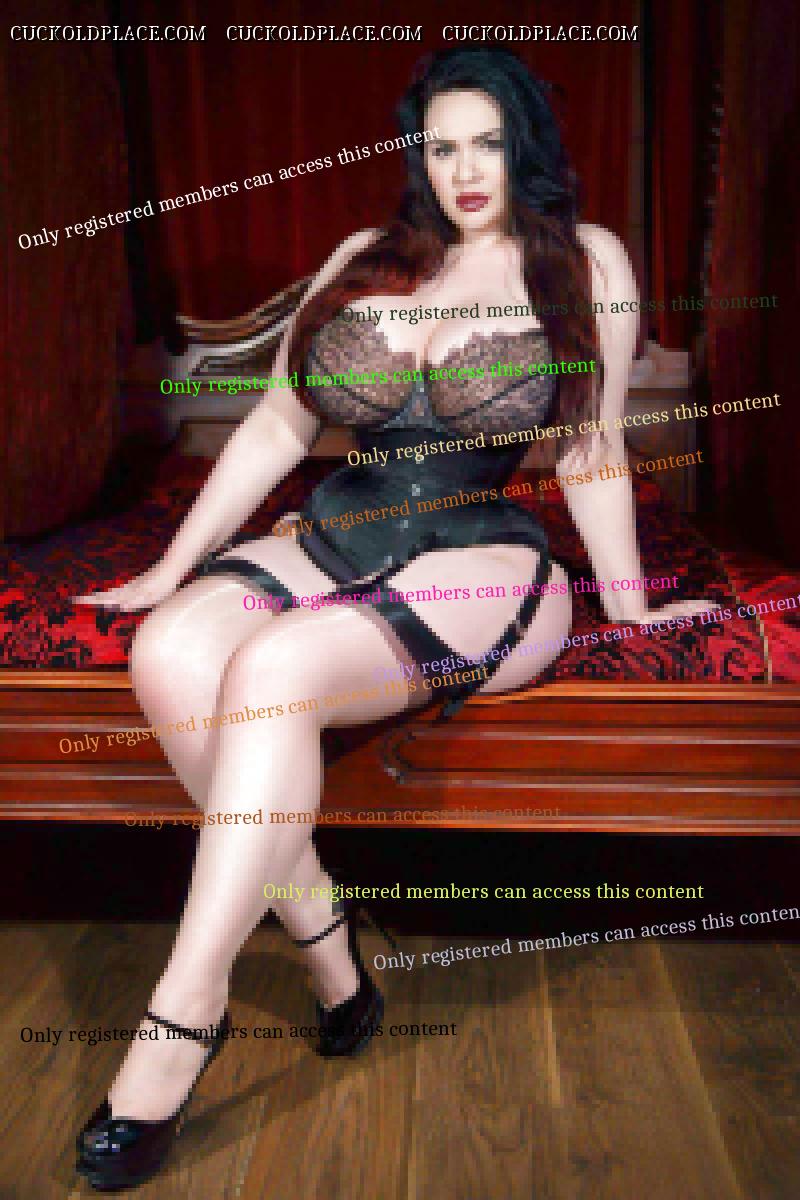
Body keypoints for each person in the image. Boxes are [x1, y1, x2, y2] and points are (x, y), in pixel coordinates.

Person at [74, 47, 707, 1190]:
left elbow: (589, 447)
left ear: (525, 145)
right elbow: (276, 426)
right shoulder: (367, 258)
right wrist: (170, 567)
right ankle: (333, 962)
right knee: (170, 650)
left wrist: (632, 612)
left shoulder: (583, 260)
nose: (464, 170)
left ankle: (184, 1010)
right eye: (441, 146)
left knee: (272, 667)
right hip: (345, 528)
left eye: (487, 143)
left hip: (485, 561)